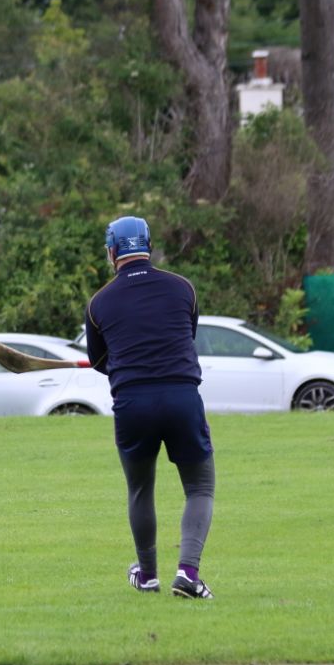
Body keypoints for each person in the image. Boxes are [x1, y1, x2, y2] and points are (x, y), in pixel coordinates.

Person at [84, 216, 215, 599]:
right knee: (200, 487)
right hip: (181, 397)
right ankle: (188, 574)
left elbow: (98, 361)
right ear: (148, 245)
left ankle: (149, 576)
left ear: (112, 252)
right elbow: (184, 337)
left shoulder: (99, 303)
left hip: (132, 403)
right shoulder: (183, 289)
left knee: (140, 488)